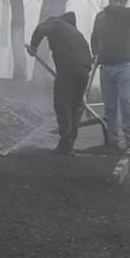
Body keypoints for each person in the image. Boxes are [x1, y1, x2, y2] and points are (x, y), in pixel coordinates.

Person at [28, 11, 94, 156]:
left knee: (62, 104)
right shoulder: (78, 33)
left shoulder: (55, 22)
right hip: (84, 69)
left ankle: (65, 142)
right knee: (75, 106)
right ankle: (71, 142)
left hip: (67, 67)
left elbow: (41, 28)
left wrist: (33, 46)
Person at [91, 0, 130, 150]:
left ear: (125, 3)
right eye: (115, 0)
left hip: (125, 65)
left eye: (121, 1)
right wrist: (95, 53)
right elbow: (94, 37)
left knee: (125, 100)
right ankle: (112, 139)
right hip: (106, 66)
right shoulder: (101, 17)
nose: (118, 3)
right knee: (110, 105)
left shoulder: (128, 16)